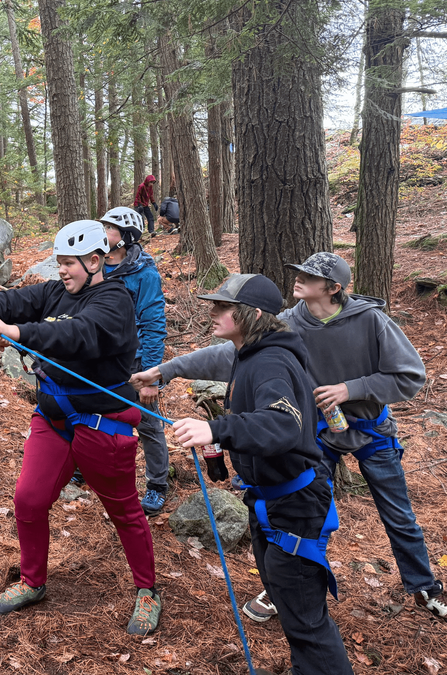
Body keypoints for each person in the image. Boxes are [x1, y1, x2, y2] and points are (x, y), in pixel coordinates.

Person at [135, 252, 446, 623]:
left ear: (333, 288)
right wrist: (167, 370)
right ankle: (292, 583)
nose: (297, 278)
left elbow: (410, 376)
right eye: (297, 270)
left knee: (397, 513)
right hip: (318, 436)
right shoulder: (287, 323)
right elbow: (227, 356)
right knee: (310, 514)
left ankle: (423, 585)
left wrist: (352, 389)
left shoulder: (370, 322)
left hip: (371, 432)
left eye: (309, 276)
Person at [142, 273, 354, 675]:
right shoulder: (248, 352)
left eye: (222, 306)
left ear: (252, 314)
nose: (213, 311)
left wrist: (217, 428)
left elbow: (282, 425)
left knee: (306, 622)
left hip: (295, 505)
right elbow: (218, 372)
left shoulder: (271, 361)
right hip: (268, 501)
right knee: (289, 603)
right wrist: (164, 375)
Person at [0, 220, 161, 635]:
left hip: (104, 424)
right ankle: (32, 581)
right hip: (54, 419)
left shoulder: (115, 301)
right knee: (28, 498)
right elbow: (9, 300)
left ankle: (148, 590)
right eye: (58, 263)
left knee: (124, 510)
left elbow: (78, 334)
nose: (61, 271)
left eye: (70, 264)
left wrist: (17, 332)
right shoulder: (55, 291)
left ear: (95, 262)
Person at [99, 207, 169, 515]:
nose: (103, 233)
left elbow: (153, 324)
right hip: (100, 359)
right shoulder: (95, 266)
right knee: (94, 412)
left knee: (149, 424)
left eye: (109, 229)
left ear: (125, 238)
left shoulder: (144, 273)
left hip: (135, 364)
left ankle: (157, 485)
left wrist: (151, 376)